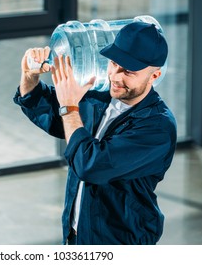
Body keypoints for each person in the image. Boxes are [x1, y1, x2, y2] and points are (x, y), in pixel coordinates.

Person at [13, 21, 177, 245]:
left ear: (155, 76)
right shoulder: (101, 97)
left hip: (119, 240)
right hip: (77, 234)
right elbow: (53, 115)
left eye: (128, 71)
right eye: (113, 63)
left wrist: (70, 107)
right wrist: (29, 76)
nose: (115, 76)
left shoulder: (157, 127)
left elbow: (91, 165)